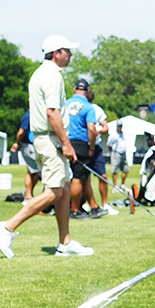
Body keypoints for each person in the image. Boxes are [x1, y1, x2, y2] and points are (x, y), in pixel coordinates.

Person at [0, 35, 93, 258]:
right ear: (56, 53)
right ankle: (7, 227)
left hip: (46, 137)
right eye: (67, 50)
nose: (70, 54)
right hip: (50, 139)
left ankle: (65, 242)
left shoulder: (41, 73)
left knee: (65, 189)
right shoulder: (52, 75)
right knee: (55, 190)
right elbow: (52, 112)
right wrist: (66, 143)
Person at [65, 79, 101, 219]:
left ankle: (85, 206)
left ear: (74, 90)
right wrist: (91, 148)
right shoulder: (88, 107)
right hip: (80, 143)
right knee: (79, 178)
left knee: (69, 177)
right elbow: (92, 129)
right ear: (87, 91)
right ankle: (74, 209)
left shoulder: (65, 103)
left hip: (64, 142)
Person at [83, 82, 117, 215]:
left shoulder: (97, 109)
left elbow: (105, 127)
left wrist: (97, 131)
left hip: (95, 147)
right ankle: (86, 204)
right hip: (83, 146)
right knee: (84, 178)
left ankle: (104, 204)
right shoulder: (80, 107)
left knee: (102, 176)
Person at [9, 110, 40, 200]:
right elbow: (21, 132)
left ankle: (28, 194)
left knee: (35, 172)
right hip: (29, 146)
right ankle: (28, 196)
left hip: (33, 146)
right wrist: (18, 143)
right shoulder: (29, 114)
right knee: (33, 171)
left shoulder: (35, 113)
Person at [107, 120, 131, 187]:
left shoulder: (123, 134)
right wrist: (112, 152)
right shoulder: (113, 134)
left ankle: (122, 184)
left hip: (123, 153)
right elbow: (109, 145)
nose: (120, 127)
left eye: (121, 126)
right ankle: (115, 186)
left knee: (126, 169)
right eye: (119, 126)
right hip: (116, 153)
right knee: (115, 170)